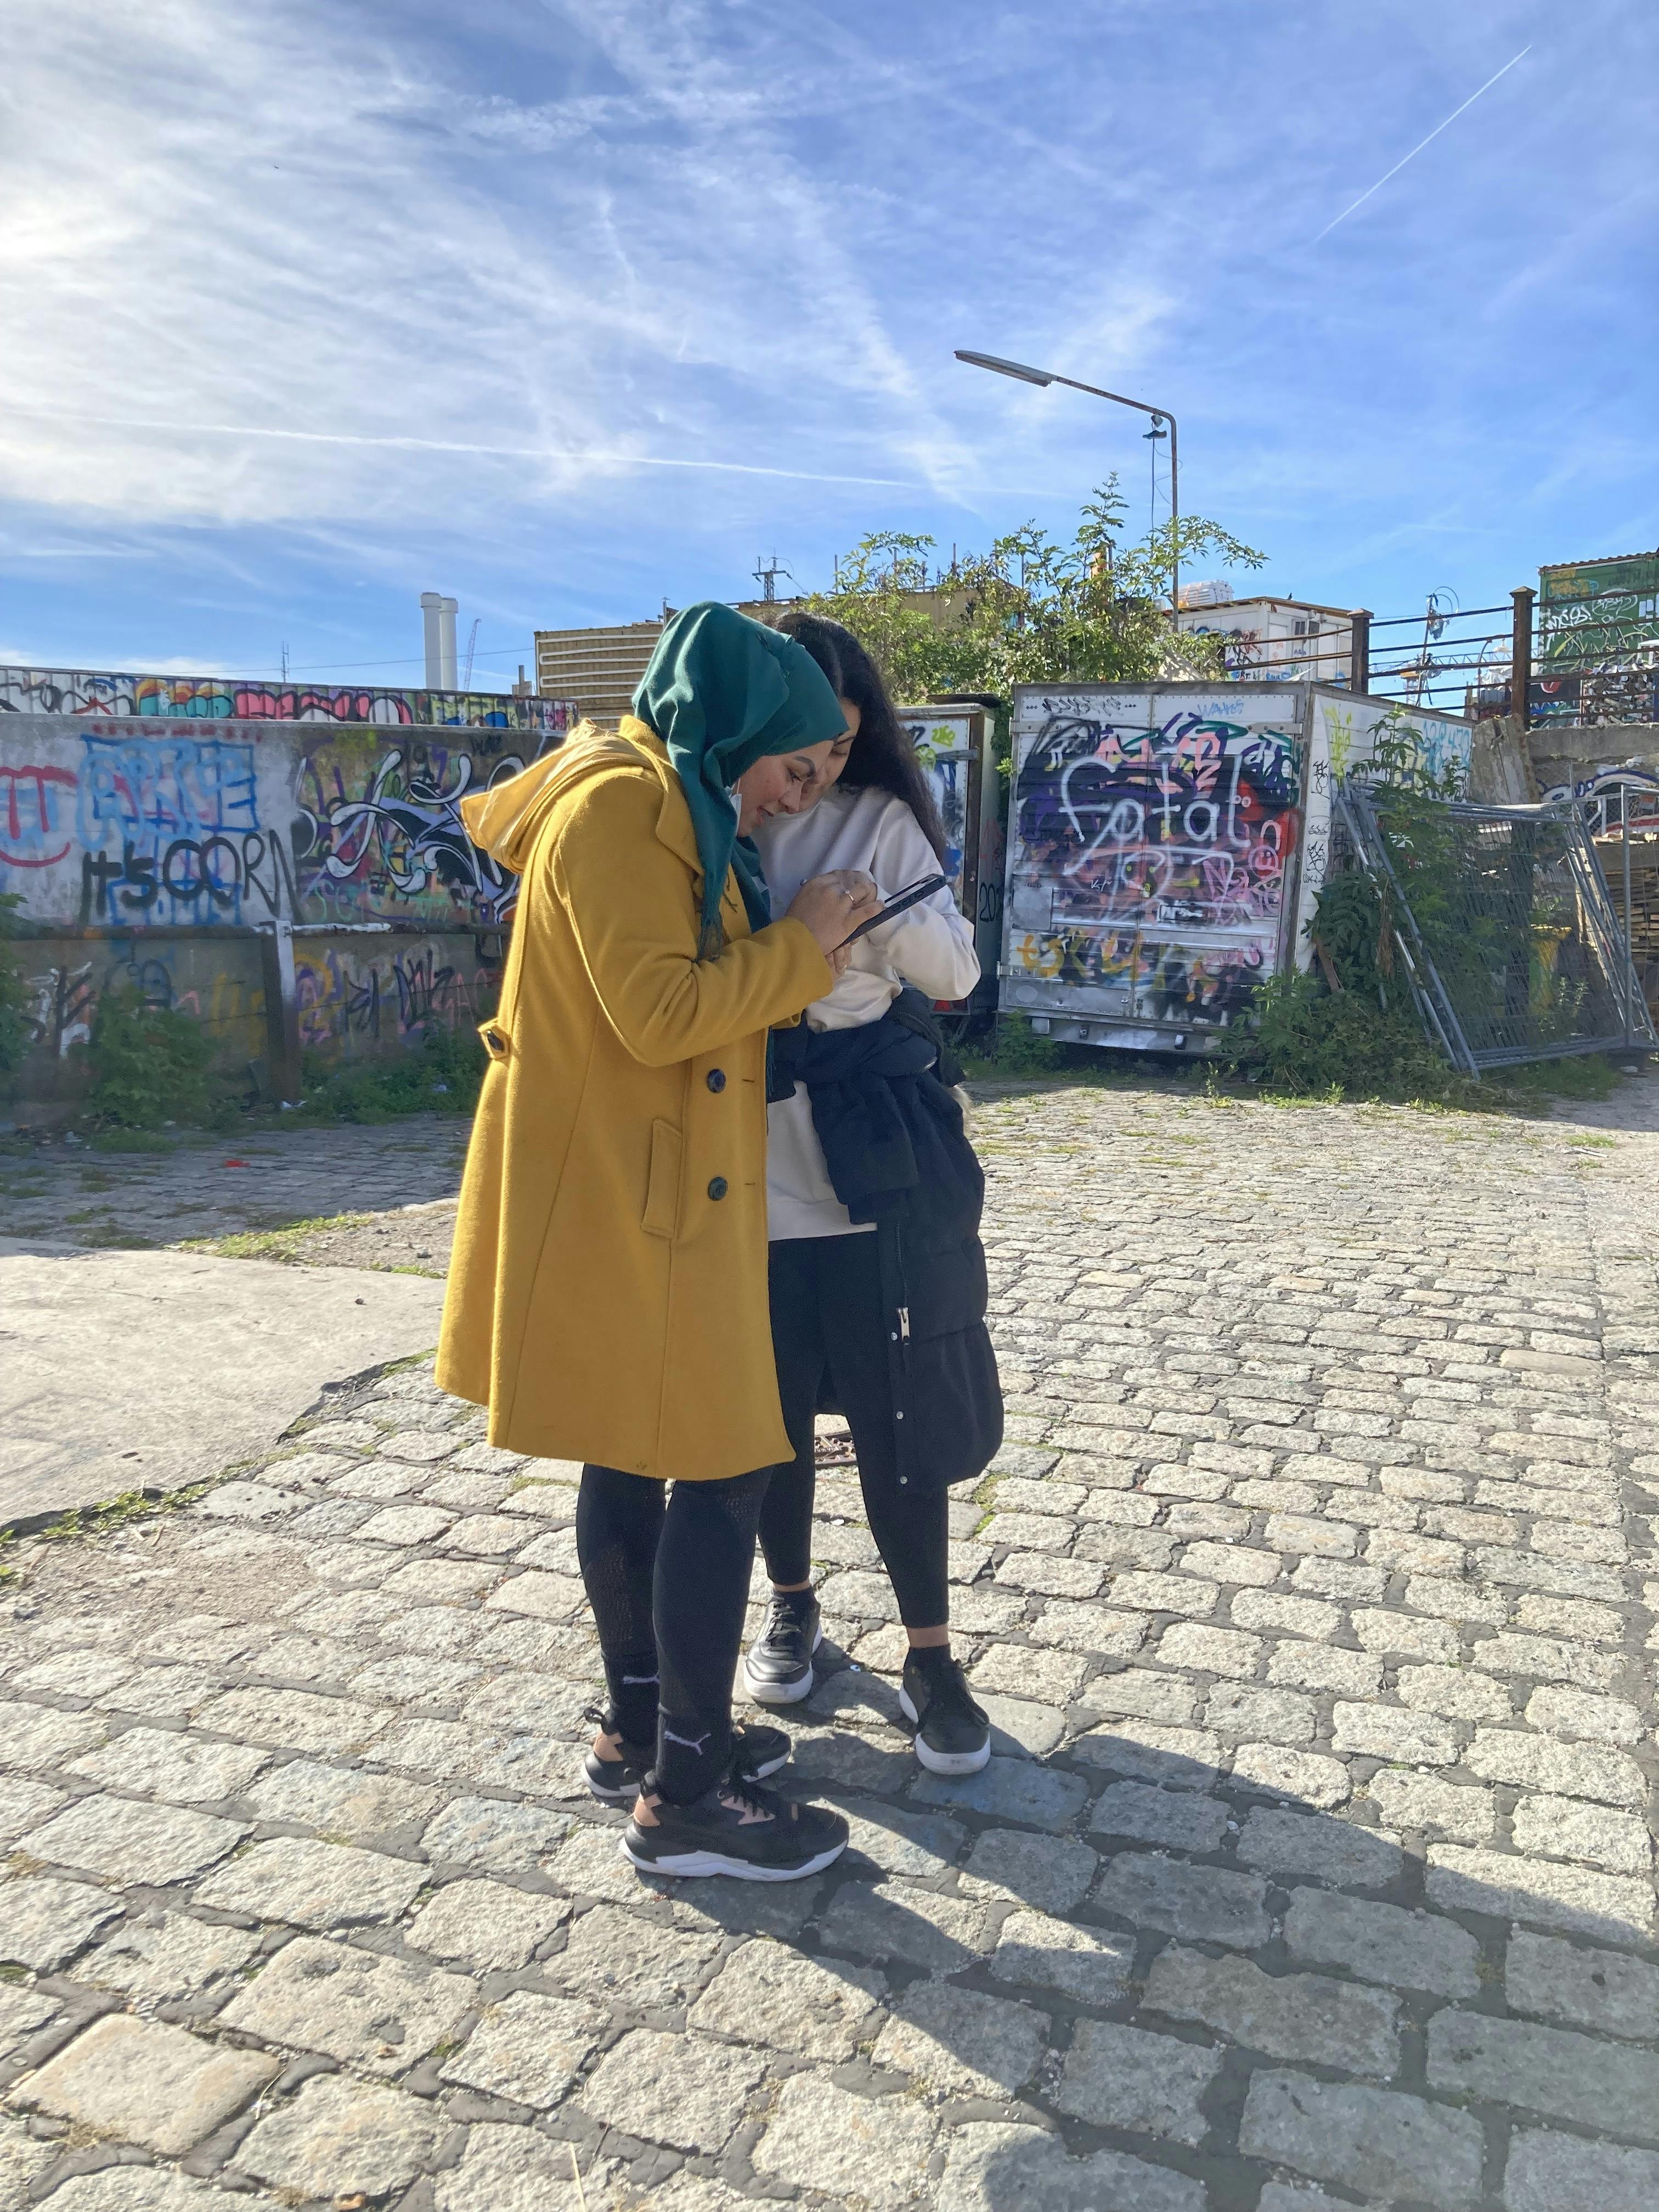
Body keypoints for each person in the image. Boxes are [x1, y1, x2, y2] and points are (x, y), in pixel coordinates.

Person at [436, 602, 882, 1880]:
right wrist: (810, 947)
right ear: (732, 732)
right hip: (637, 1200)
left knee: (638, 1463)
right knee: (724, 1463)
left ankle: (644, 1733)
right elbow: (660, 1012)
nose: (801, 798)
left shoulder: (667, 802)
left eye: (825, 773)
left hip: (649, 1188)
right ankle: (687, 1794)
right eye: (796, 768)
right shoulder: (621, 810)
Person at [743, 611, 1003, 1775]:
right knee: (766, 1421)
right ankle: (791, 1604)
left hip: (865, 1172)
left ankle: (931, 1652)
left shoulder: (878, 823)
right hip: (738, 1172)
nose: (821, 771)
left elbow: (956, 973)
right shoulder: (714, 816)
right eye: (804, 743)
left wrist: (874, 928)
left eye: (844, 745)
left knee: (899, 1416)